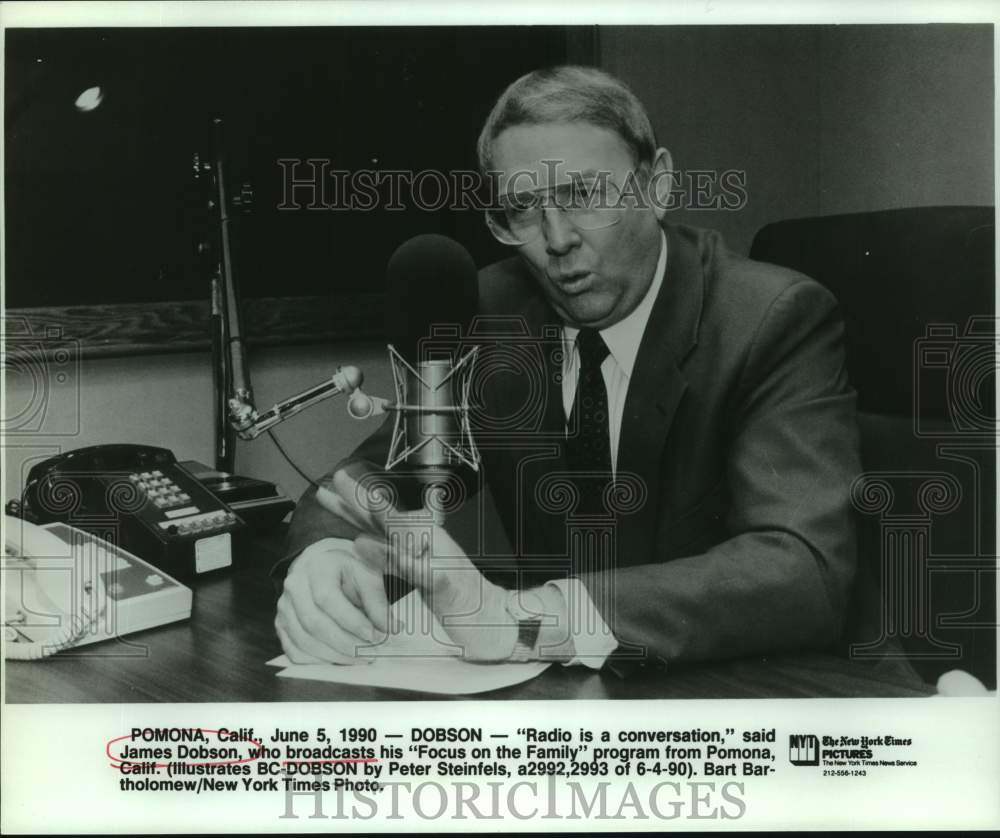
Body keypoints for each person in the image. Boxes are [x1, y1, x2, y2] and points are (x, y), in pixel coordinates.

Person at [274, 65, 861, 672]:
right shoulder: (494, 311)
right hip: (570, 694)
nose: (556, 240)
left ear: (656, 185)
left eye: (583, 195)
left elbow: (802, 568)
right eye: (523, 209)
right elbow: (375, 475)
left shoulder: (771, 319)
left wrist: (525, 622)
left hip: (758, 690)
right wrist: (323, 557)